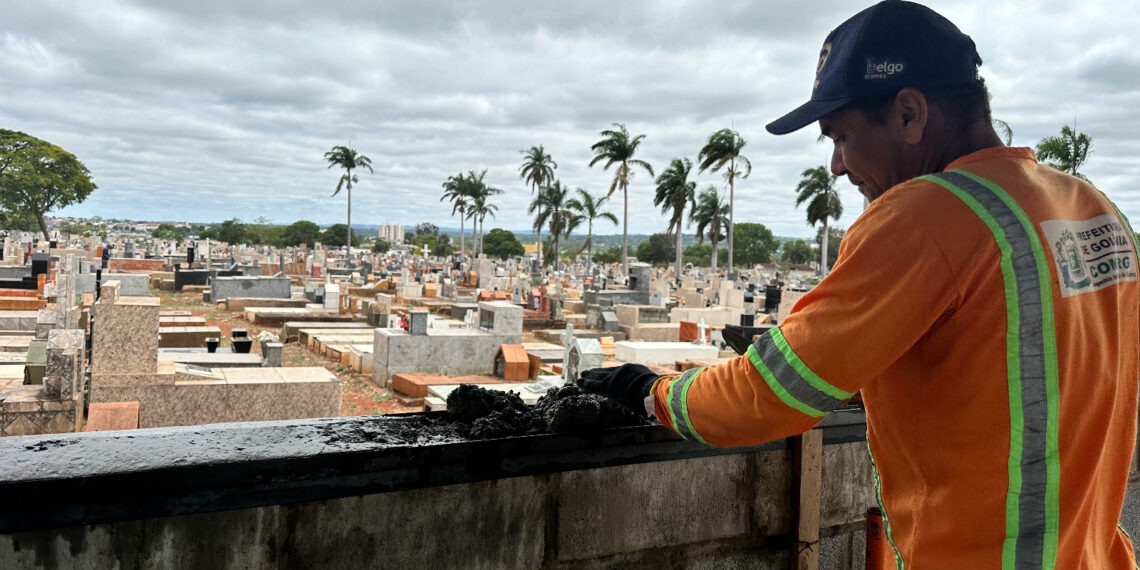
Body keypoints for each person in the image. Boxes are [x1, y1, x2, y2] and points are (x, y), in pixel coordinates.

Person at [578, 1, 1139, 567]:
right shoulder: (1092, 209)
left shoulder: (926, 216)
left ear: (909, 114)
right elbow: (1014, 366)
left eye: (840, 137)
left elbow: (768, 396)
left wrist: (650, 393)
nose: (838, 167)